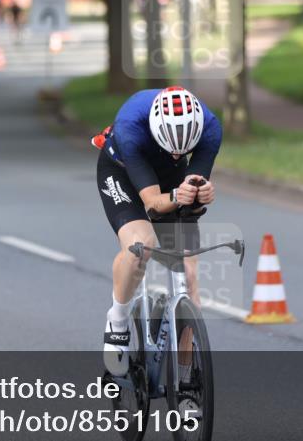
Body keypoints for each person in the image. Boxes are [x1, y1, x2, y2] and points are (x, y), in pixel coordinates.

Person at [93, 86, 222, 378]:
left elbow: (194, 185)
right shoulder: (130, 127)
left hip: (170, 176)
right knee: (140, 245)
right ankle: (118, 321)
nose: (177, 153)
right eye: (172, 148)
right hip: (122, 171)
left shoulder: (211, 128)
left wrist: (202, 192)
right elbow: (153, 203)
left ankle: (187, 381)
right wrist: (177, 196)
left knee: (189, 275)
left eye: (183, 151)